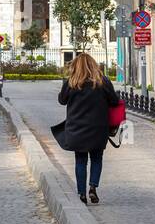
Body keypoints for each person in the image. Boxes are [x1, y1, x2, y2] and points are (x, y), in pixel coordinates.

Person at [51, 53, 120, 205]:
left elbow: (62, 101)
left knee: (80, 160)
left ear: (76, 66)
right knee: (97, 158)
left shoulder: (71, 82)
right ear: (94, 65)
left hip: (77, 128)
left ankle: (81, 194)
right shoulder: (103, 82)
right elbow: (114, 102)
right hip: (98, 128)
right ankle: (93, 188)